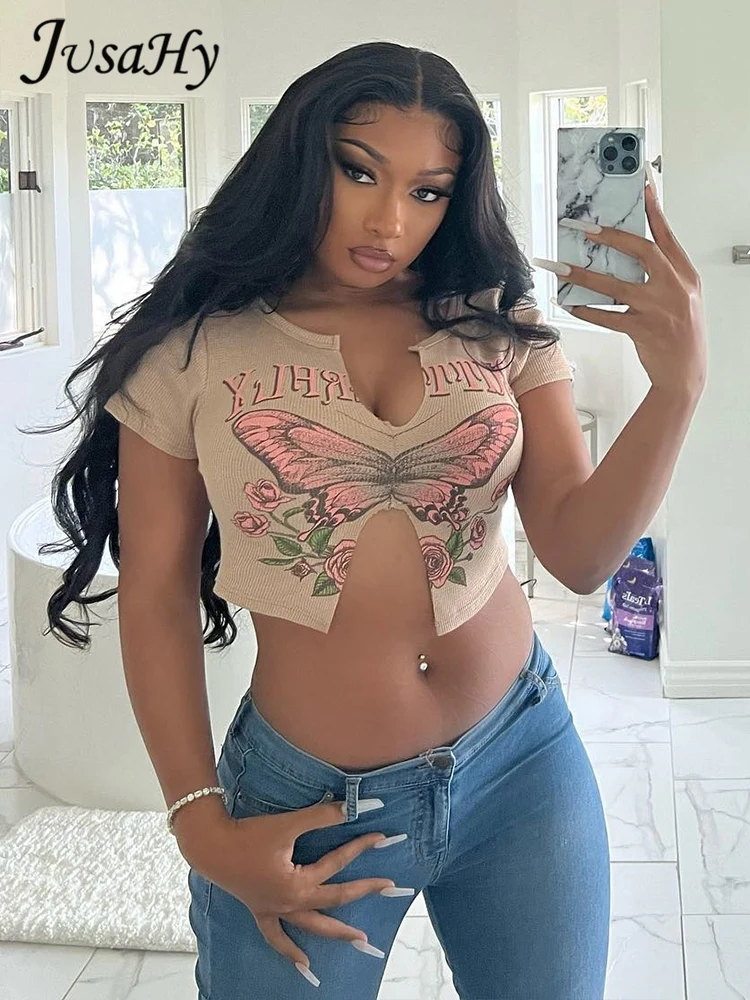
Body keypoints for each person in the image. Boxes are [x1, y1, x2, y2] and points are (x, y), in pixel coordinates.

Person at [35, 39, 707, 1000]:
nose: (391, 221)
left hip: (521, 758)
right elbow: (153, 595)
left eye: (429, 191)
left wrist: (676, 389)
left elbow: (581, 553)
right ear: (297, 158)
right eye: (359, 172)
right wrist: (200, 824)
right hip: (305, 802)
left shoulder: (495, 318)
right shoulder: (194, 348)